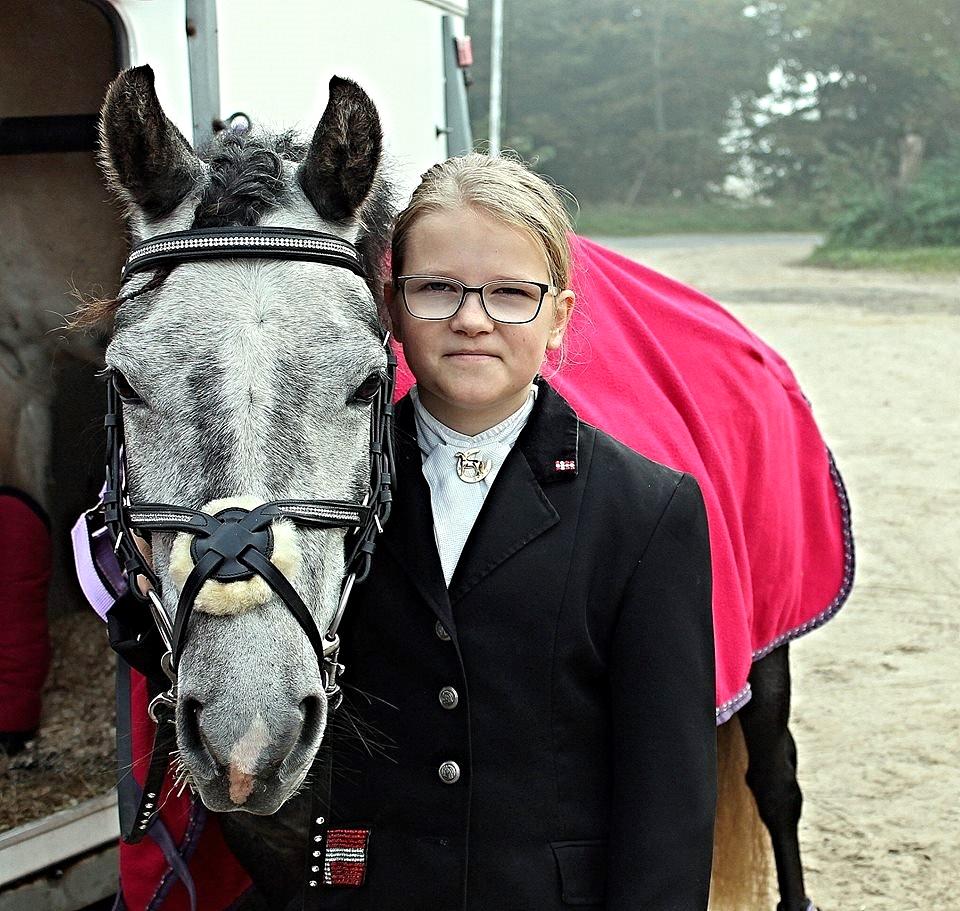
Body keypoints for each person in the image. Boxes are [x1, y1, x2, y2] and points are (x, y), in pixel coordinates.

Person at [326, 154, 717, 909]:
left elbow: (667, 802)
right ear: (391, 304)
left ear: (560, 317)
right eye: (437, 288)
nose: (472, 318)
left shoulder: (645, 511)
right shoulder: (327, 492)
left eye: (511, 293)